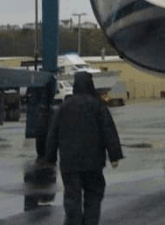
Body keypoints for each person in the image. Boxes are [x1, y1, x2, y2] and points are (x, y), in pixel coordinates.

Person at [45, 71, 124, 225]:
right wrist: (115, 155)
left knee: (72, 198)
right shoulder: (98, 106)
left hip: (70, 164)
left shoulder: (64, 107)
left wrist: (50, 157)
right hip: (93, 163)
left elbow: (53, 133)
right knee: (93, 196)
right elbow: (108, 130)